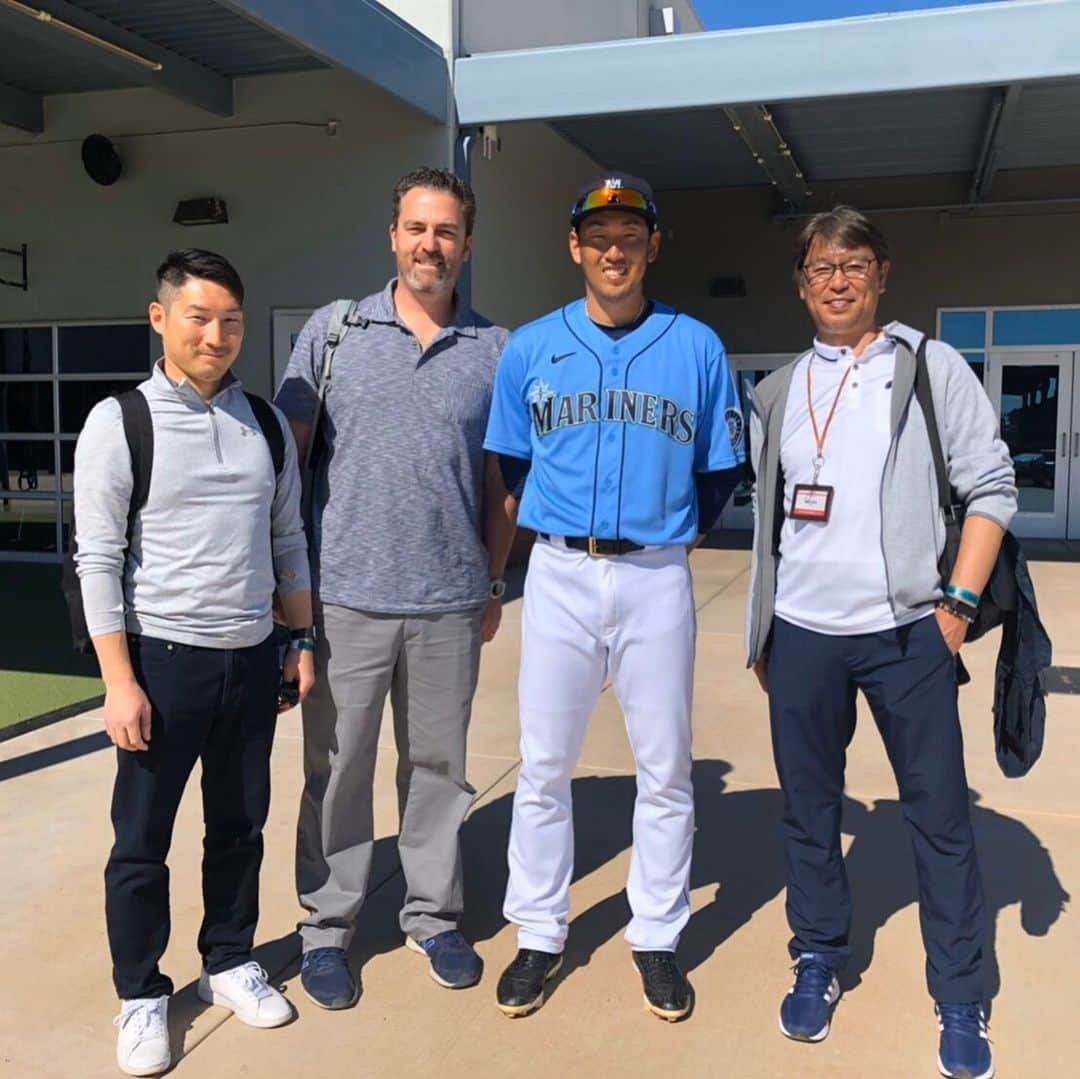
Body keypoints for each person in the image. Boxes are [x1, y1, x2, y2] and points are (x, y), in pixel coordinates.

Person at [744, 205, 1016, 1079]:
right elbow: (769, 521)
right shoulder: (779, 390)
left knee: (940, 818)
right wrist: (763, 626)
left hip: (907, 634)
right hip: (803, 637)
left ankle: (961, 990)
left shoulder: (929, 366)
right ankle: (818, 954)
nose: (837, 278)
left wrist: (958, 605)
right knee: (809, 814)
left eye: (854, 262)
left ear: (882, 273)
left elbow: (992, 484)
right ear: (801, 281)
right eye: (821, 264)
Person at [483, 173, 744, 1021]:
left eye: (630, 232)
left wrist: (667, 535)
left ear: (653, 245)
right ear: (575, 246)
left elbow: (719, 474)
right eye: (599, 233)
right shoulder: (529, 345)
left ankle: (658, 935)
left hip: (655, 572)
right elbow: (513, 469)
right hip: (559, 570)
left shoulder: (696, 345)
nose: (614, 247)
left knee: (665, 765)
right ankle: (539, 930)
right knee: (544, 762)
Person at [74, 249, 315, 1077]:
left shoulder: (265, 423)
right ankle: (141, 994)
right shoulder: (121, 421)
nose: (217, 335)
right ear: (160, 318)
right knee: (141, 842)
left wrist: (300, 639)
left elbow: (288, 541)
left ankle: (228, 960)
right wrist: (118, 681)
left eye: (231, 321)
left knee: (239, 826)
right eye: (199, 317)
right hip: (161, 662)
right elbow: (97, 559)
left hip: (250, 660)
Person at [274, 167, 509, 1008]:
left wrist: (490, 582)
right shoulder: (333, 333)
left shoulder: (495, 349)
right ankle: (327, 928)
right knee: (337, 771)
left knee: (439, 770)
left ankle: (433, 914)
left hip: (449, 600)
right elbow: (286, 463)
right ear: (393, 235)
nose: (430, 245)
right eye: (417, 228)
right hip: (346, 598)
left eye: (446, 232)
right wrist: (289, 594)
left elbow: (500, 485)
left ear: (467, 246)